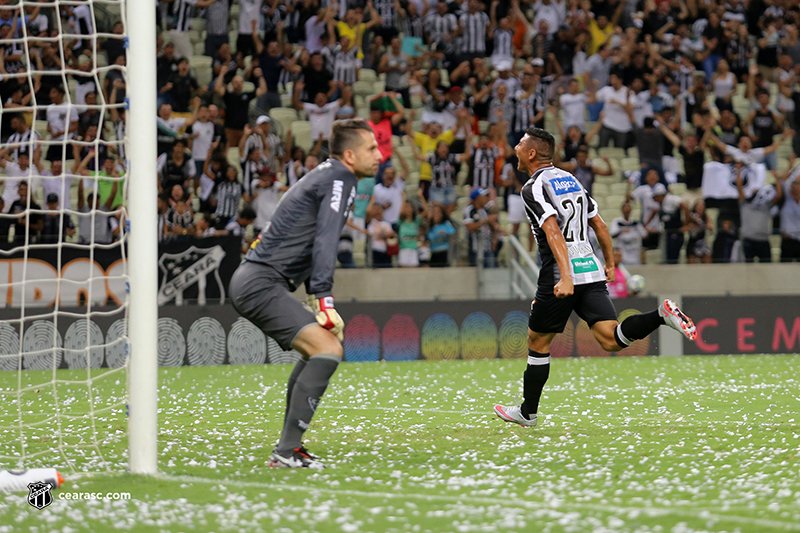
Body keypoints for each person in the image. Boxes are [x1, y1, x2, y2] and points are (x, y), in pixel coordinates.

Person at [494, 128, 697, 428]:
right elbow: (599, 224)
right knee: (611, 338)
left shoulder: (533, 187)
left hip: (560, 272)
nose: (516, 147)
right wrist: (611, 265)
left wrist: (565, 277)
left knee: (537, 341)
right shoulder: (571, 179)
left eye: (521, 144)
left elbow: (551, 231)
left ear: (532, 153)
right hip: (589, 267)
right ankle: (660, 315)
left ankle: (528, 413)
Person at [228, 119, 382, 468]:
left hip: (258, 281)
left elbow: (315, 237)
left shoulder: (330, 175)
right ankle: (286, 451)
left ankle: (288, 448)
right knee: (328, 348)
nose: (380, 155)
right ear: (349, 154)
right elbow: (326, 241)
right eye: (371, 148)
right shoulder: (339, 178)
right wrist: (324, 298)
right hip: (260, 283)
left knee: (317, 351)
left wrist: (317, 296)